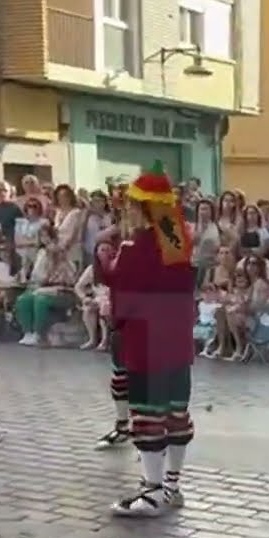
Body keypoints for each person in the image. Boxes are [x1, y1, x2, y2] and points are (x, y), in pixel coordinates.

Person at [102, 162, 196, 517]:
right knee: (175, 412)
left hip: (145, 340)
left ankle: (152, 491)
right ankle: (171, 487)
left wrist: (104, 261)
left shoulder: (137, 244)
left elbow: (122, 285)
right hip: (176, 339)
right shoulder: (179, 238)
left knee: (148, 414)